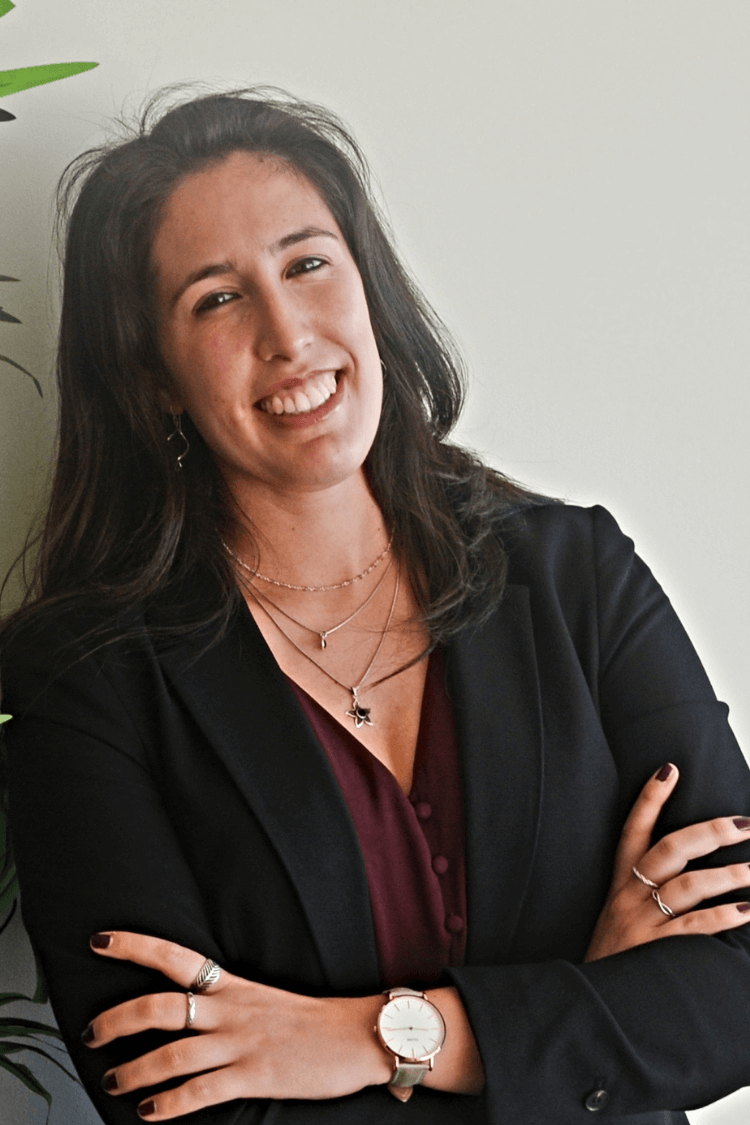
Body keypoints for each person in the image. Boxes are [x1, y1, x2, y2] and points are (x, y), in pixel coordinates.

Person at [1, 88, 750, 1125]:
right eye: (216, 299)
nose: (287, 332)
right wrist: (585, 1006)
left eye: (308, 263)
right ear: (153, 376)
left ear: (367, 285)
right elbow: (174, 1097)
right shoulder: (87, 680)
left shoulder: (576, 575)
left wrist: (369, 1039)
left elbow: (738, 986)